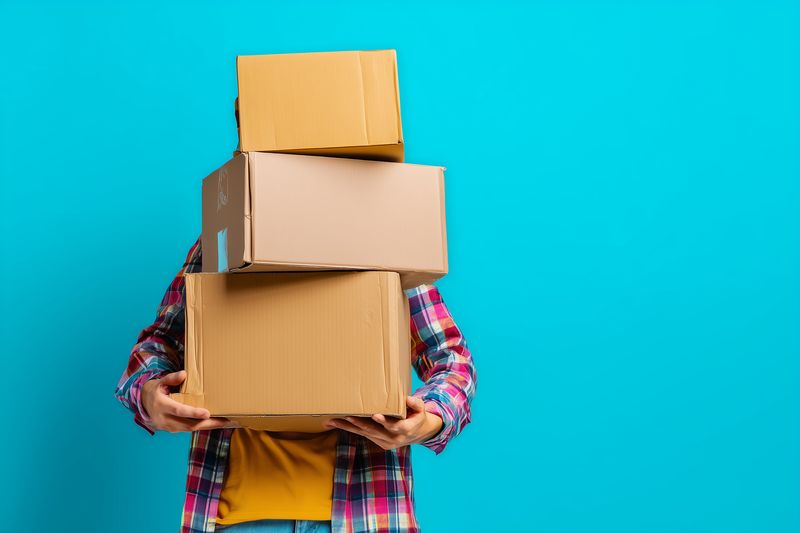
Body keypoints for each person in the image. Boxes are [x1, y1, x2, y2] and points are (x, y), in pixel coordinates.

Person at [115, 237, 477, 533]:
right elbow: (158, 344)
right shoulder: (226, 237)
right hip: (238, 515)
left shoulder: (380, 238)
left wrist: (428, 420)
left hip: (365, 511)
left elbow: (451, 358)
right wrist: (150, 395)